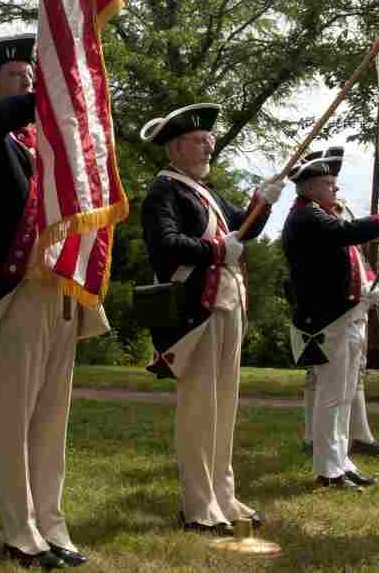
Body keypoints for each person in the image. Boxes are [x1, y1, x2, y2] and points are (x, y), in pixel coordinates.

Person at [0, 33, 109, 570]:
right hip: (15, 291)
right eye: (17, 78)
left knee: (51, 419)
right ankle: (19, 531)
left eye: (31, 76)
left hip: (60, 287)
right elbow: (2, 121)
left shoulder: (44, 146)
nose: (27, 84)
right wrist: (57, 89)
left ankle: (52, 523)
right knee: (13, 418)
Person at [139, 103, 284, 535]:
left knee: (225, 410)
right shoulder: (165, 191)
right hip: (194, 312)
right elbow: (166, 246)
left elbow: (242, 227)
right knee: (200, 411)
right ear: (176, 148)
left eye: (210, 140)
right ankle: (198, 505)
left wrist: (265, 200)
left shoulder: (206, 192)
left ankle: (223, 495)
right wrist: (218, 251)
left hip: (227, 305)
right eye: (200, 141)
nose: (209, 146)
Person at [279, 148, 379, 491]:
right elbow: (349, 234)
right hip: (326, 321)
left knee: (343, 397)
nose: (336, 190)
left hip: (346, 316)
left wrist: (367, 284)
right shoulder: (307, 217)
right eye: (329, 184)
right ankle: (329, 471)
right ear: (310, 187)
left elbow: (349, 256)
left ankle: (341, 461)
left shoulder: (321, 214)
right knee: (331, 397)